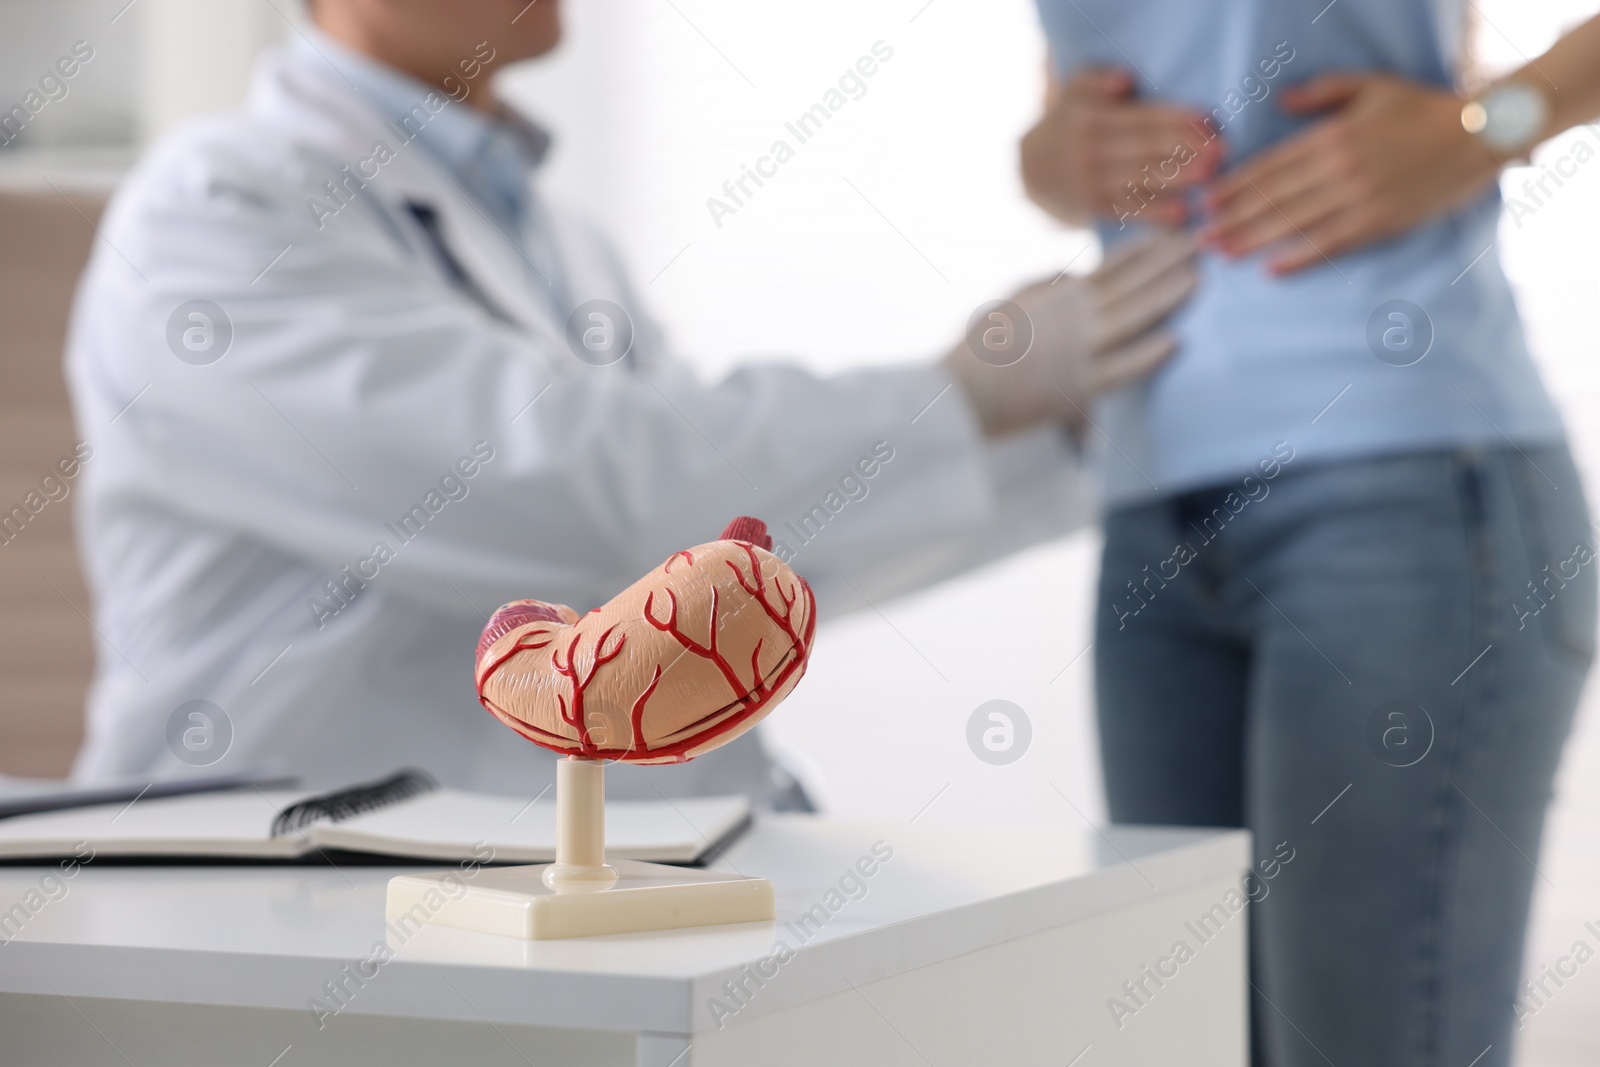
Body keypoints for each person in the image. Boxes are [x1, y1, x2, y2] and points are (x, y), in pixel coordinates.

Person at [64, 0, 1195, 803]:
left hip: (545, 884)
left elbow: (704, 570)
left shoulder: (562, 239)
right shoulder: (213, 211)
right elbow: (571, 498)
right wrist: (961, 399)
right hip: (287, 897)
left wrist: (1055, 427)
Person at [1022, 4, 1600, 1066]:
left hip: (1408, 486)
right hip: (1152, 493)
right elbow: (1080, 85)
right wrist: (1052, 154)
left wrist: (1489, 123)